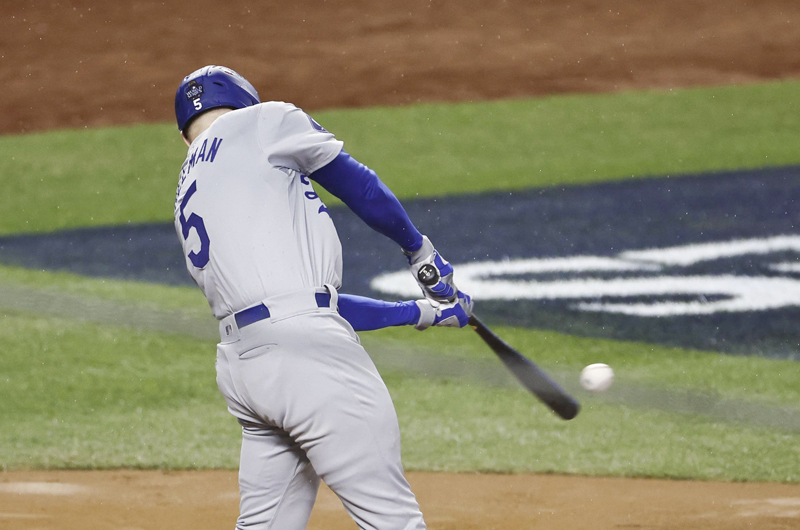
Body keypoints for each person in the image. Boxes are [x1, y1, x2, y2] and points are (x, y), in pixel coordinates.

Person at [172, 65, 473, 530]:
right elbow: (360, 186)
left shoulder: (188, 187)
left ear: (185, 136)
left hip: (245, 371)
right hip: (307, 359)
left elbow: (301, 307)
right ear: (246, 102)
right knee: (393, 520)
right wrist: (421, 254)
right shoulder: (264, 121)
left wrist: (422, 313)